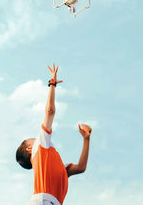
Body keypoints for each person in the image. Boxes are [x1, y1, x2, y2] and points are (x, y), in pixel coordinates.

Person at [16, 63, 92, 205]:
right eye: (30, 140)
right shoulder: (40, 146)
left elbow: (81, 167)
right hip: (42, 201)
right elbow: (50, 111)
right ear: (29, 149)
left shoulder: (58, 166)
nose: (35, 137)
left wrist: (86, 139)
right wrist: (52, 84)